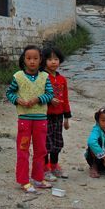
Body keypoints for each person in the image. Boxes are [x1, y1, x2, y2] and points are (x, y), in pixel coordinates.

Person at [6, 45, 54, 193]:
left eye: (35, 58)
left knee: (41, 150)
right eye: (28, 58)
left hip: (41, 120)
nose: (32, 61)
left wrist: (39, 99)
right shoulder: (18, 76)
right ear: (24, 60)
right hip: (24, 120)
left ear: (41, 60)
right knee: (23, 149)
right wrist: (17, 100)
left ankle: (38, 178)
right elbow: (9, 93)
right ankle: (23, 180)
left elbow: (50, 94)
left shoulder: (45, 77)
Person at [42, 47, 71, 181]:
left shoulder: (62, 80)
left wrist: (67, 118)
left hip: (59, 116)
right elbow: (38, 95)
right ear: (44, 61)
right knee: (46, 143)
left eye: (56, 59)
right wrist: (49, 99)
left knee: (57, 142)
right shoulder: (41, 77)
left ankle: (54, 166)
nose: (53, 62)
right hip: (45, 116)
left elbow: (65, 99)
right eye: (49, 59)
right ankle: (44, 169)